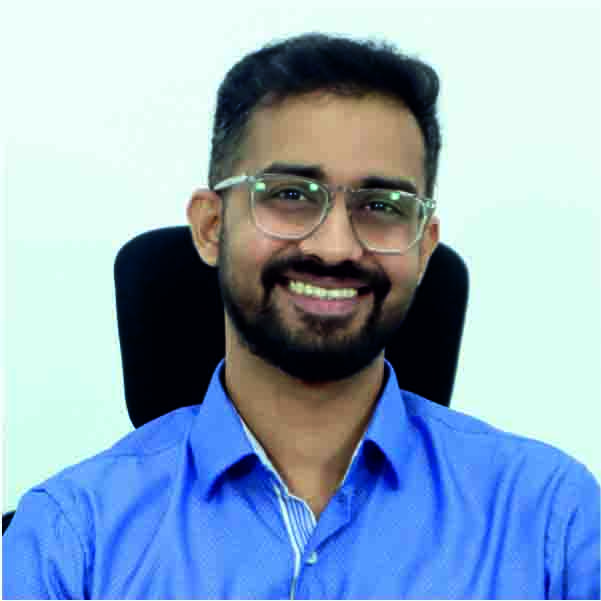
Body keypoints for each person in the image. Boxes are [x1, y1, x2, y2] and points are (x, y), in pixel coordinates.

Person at [3, 32, 599, 600]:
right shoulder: (72, 539)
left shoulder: (553, 521)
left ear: (423, 247)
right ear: (211, 227)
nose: (335, 247)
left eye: (382, 205)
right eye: (289, 194)